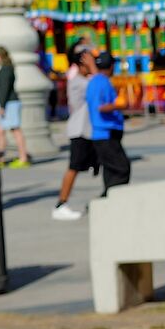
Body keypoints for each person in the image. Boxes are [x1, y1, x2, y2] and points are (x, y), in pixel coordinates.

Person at [51, 45, 99, 220]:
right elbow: (99, 86)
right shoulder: (79, 82)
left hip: (88, 130)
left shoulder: (83, 80)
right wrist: (93, 68)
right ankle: (61, 203)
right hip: (80, 130)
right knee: (74, 167)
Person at [82, 47, 130, 196]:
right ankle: (108, 199)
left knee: (111, 170)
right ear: (111, 67)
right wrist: (118, 105)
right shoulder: (101, 82)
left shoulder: (96, 81)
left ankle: (108, 197)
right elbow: (99, 107)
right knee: (121, 169)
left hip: (103, 133)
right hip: (105, 133)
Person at [0, 45, 31, 166]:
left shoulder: (6, 69)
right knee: (0, 130)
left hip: (9, 103)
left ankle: (22, 157)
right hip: (8, 102)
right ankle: (1, 157)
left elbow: (5, 89)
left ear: (0, 56)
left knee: (14, 130)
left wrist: (1, 105)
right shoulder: (6, 68)